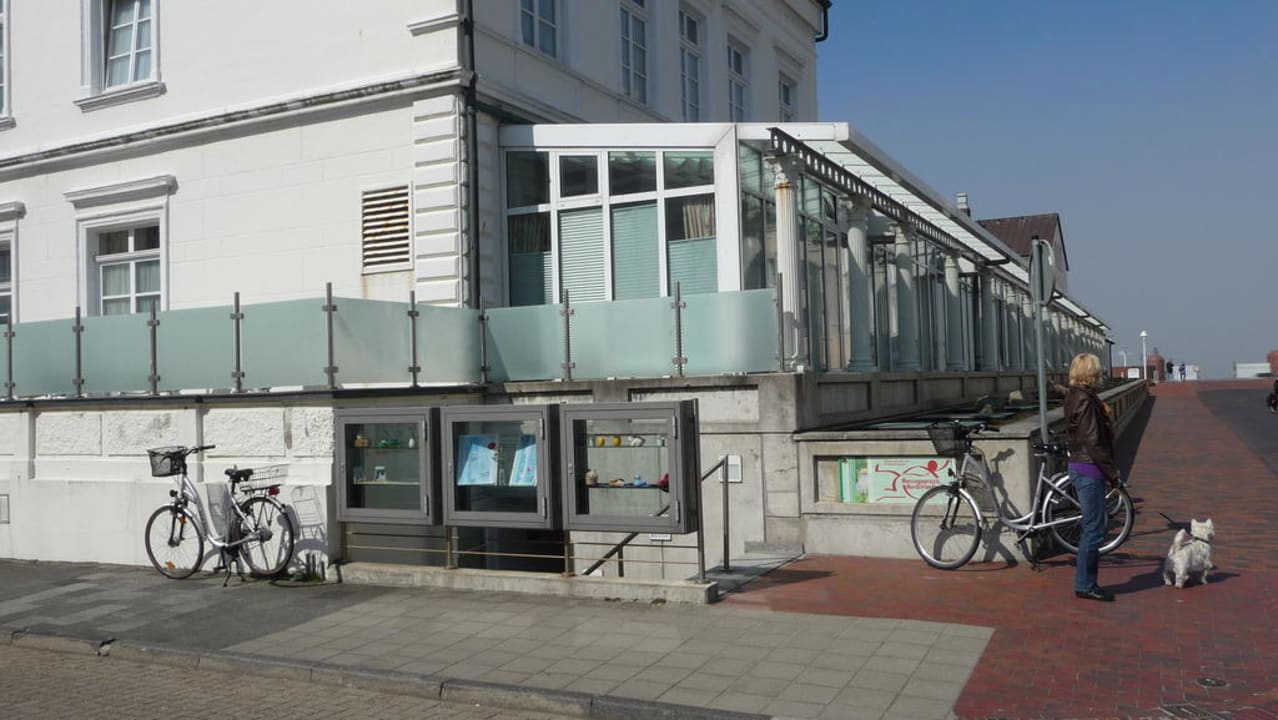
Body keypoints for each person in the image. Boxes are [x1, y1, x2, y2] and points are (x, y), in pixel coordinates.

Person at [1064, 352, 1120, 602]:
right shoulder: (1086, 400)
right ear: (1091, 373)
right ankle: (1085, 585)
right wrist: (1112, 473)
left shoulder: (1075, 396)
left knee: (1092, 527)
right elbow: (1093, 441)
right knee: (1094, 530)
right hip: (1089, 468)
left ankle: (1086, 583)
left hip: (1081, 465)